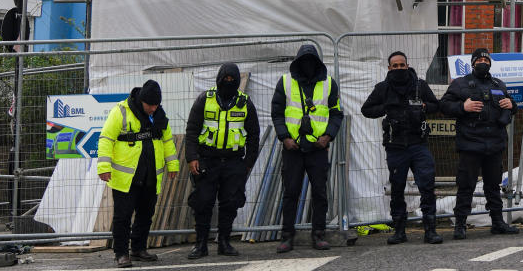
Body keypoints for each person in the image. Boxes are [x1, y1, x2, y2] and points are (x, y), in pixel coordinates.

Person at [361, 51, 442, 245]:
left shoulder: (419, 85)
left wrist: (423, 106)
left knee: (427, 186)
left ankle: (430, 230)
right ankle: (399, 230)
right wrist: (385, 108)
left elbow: (436, 105)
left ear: (407, 65)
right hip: (395, 146)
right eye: (395, 66)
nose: (399, 68)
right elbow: (366, 109)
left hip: (418, 144)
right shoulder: (383, 89)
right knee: (397, 188)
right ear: (389, 68)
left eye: (401, 65)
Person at [97, 79, 180, 267]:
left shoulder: (159, 115)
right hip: (126, 176)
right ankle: (121, 253)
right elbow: (106, 139)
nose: (153, 108)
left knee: (145, 214)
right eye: (150, 105)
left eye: (156, 105)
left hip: (150, 175)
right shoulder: (121, 111)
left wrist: (173, 164)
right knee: (123, 216)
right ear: (141, 100)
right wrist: (103, 167)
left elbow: (167, 141)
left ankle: (138, 249)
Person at [439, 47, 519, 239]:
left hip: (494, 143)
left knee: (493, 185)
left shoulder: (498, 84)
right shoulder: (460, 84)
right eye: (479, 60)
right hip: (470, 143)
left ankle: (498, 222)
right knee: (466, 185)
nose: (483, 63)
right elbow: (444, 106)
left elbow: (510, 106)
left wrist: (511, 105)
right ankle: (460, 224)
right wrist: (462, 107)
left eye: (486, 60)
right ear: (472, 63)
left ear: (490, 63)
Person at [270, 43, 343, 253]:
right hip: (292, 148)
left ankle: (319, 235)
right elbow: (277, 113)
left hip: (318, 147)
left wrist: (328, 136)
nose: (308, 65)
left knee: (320, 193)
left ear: (318, 63)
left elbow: (337, 114)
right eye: (304, 61)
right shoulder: (285, 82)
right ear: (297, 62)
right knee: (290, 192)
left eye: (312, 61)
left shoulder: (329, 83)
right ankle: (286, 237)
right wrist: (284, 138)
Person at [185, 62, 261, 259]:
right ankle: (201, 244)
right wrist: (192, 157)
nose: (228, 83)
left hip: (234, 162)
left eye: (232, 81)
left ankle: (224, 242)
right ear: (218, 80)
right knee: (203, 202)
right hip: (207, 160)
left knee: (230, 203)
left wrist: (248, 162)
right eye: (225, 80)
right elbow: (192, 130)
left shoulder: (245, 103)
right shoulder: (204, 100)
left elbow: (254, 135)